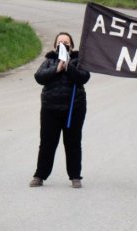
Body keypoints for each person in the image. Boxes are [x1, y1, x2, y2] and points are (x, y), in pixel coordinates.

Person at [29, 32, 90, 188]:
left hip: (74, 109)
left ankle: (75, 176)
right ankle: (40, 175)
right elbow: (39, 77)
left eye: (66, 42)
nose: (63, 44)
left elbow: (83, 77)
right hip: (50, 108)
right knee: (47, 143)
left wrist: (68, 66)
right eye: (60, 42)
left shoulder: (79, 61)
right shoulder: (49, 61)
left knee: (73, 143)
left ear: (72, 46)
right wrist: (57, 68)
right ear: (55, 46)